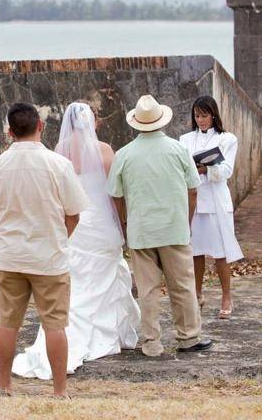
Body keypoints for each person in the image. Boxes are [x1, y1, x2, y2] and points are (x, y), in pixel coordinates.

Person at [13, 102, 140, 380]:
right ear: (93, 122)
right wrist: (122, 223)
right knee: (105, 278)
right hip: (102, 226)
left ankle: (66, 335)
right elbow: (115, 193)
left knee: (77, 283)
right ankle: (106, 333)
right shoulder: (106, 151)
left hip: (75, 223)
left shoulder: (61, 150)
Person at [0, 102, 91, 397]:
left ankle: (4, 384)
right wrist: (60, 237)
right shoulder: (58, 164)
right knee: (55, 324)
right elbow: (74, 213)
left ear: (9, 132)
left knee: (8, 321)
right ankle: (59, 391)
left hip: (11, 255)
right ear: (40, 127)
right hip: (49, 256)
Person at [107, 95, 213, 357]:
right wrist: (186, 222)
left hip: (141, 230)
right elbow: (193, 191)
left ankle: (152, 341)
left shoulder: (124, 154)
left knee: (147, 289)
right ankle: (188, 337)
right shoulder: (178, 150)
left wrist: (124, 223)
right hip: (174, 226)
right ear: (161, 120)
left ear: (137, 123)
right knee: (183, 285)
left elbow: (116, 195)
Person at [179, 95, 243, 320]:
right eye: (197, 116)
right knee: (195, 252)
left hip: (216, 200)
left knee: (220, 252)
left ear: (213, 115)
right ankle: (197, 294)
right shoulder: (185, 140)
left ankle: (226, 296)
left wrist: (206, 169)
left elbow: (227, 170)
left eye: (204, 115)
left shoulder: (227, 139)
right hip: (194, 200)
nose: (200, 120)